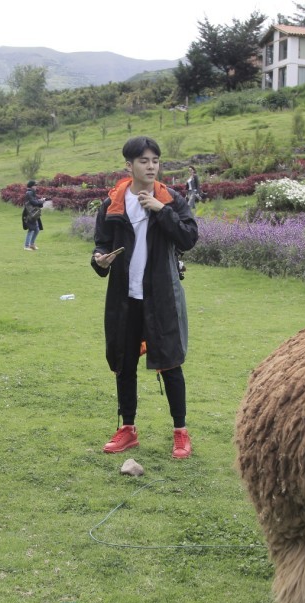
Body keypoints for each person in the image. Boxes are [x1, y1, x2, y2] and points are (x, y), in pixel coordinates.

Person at [91, 136, 198, 459]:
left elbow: (189, 237)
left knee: (171, 363)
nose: (150, 166)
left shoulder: (171, 199)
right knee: (124, 364)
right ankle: (128, 428)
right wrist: (99, 259)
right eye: (143, 161)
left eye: (155, 160)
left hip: (162, 296)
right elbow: (100, 243)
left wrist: (161, 210)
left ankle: (180, 431)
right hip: (125, 298)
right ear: (129, 166)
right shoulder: (113, 203)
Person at [22, 180, 45, 251]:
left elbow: (35, 202)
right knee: (31, 229)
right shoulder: (29, 193)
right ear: (32, 186)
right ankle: (26, 246)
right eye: (35, 185)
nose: (36, 187)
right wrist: (41, 201)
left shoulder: (31, 193)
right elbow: (33, 202)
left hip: (33, 213)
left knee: (36, 229)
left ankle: (32, 244)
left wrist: (40, 201)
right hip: (30, 214)